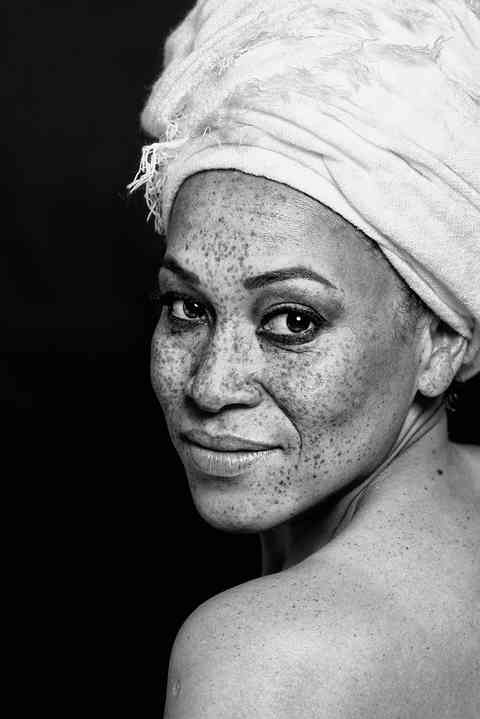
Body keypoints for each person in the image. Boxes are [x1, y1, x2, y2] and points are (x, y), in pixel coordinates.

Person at [130, 1, 480, 716]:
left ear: (443, 341)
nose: (212, 385)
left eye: (293, 320)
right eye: (187, 307)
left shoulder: (259, 660)